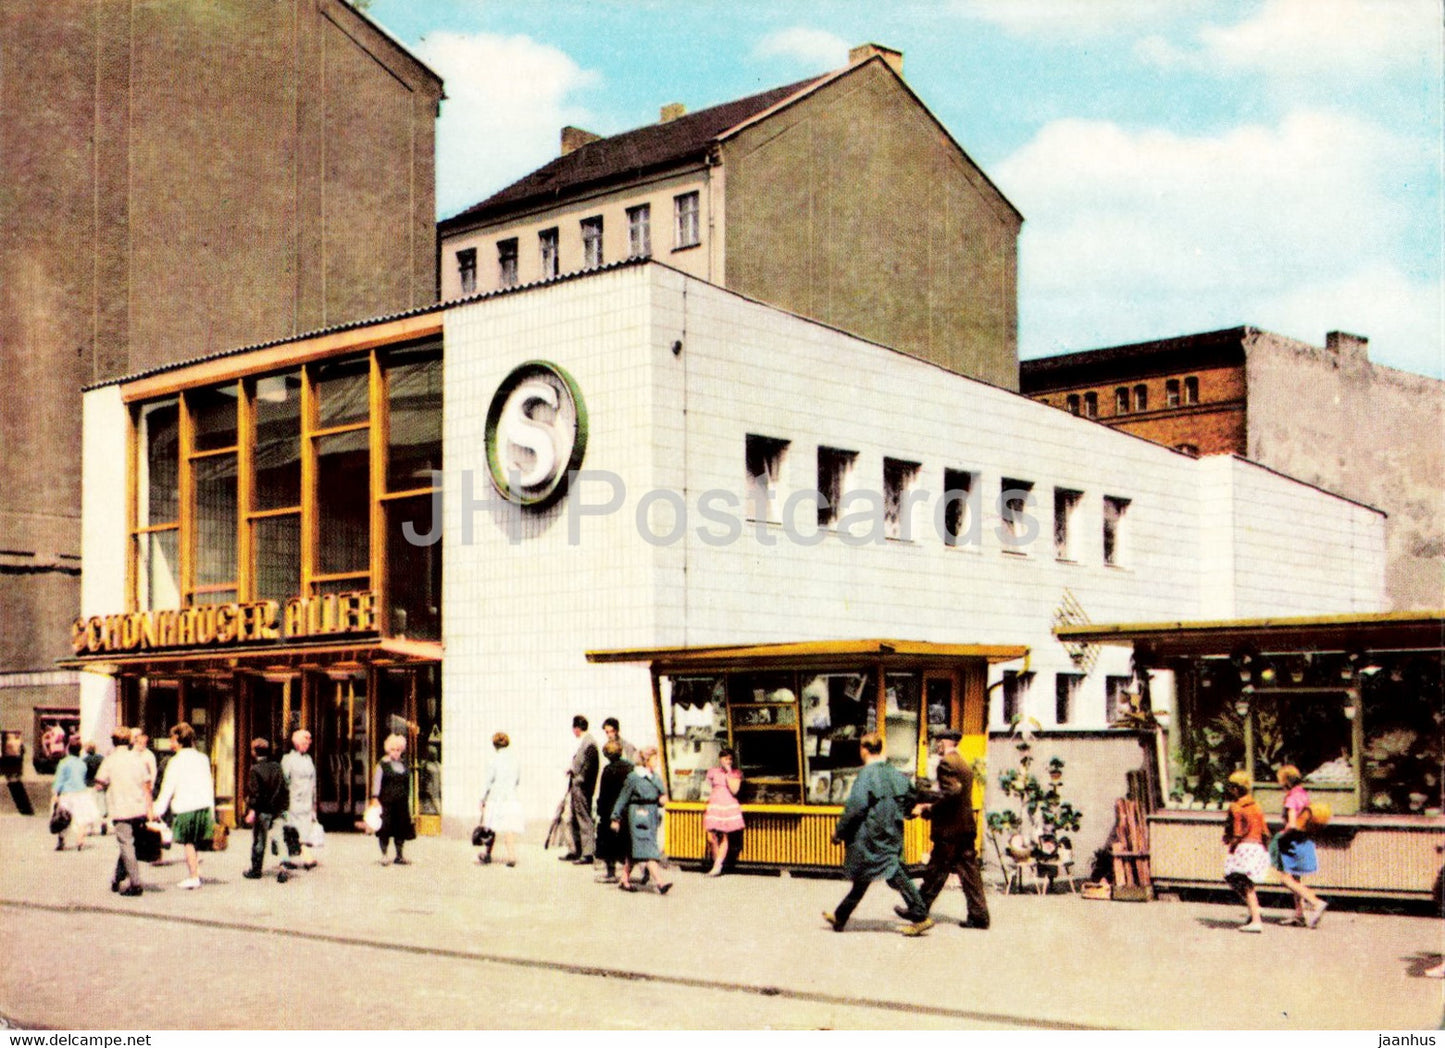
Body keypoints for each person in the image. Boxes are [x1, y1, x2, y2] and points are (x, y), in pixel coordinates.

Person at [824, 732, 932, 936]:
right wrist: (906, 812)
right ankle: (840, 917)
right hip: (892, 831)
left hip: (871, 835)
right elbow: (911, 796)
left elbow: (855, 807)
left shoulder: (866, 775)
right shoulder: (894, 773)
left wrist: (839, 833)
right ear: (880, 748)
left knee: (891, 870)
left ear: (863, 750)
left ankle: (921, 915)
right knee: (865, 874)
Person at [910, 730, 989, 929]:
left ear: (945, 742)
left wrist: (929, 809)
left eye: (938, 741)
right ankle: (979, 916)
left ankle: (918, 910)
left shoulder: (946, 763)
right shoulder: (963, 763)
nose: (936, 745)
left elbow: (951, 793)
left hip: (950, 831)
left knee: (935, 871)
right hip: (965, 827)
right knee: (970, 874)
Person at [152, 723, 215, 890]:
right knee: (195, 841)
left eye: (172, 739)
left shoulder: (175, 761)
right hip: (203, 805)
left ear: (179, 740)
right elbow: (209, 784)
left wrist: (157, 810)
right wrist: (212, 809)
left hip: (185, 806)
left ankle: (194, 876)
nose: (170, 743)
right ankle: (196, 870)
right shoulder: (203, 758)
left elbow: (167, 788)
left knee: (188, 842)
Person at [94, 726, 153, 897]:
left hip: (121, 808)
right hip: (139, 808)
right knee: (128, 844)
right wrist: (149, 809)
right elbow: (147, 786)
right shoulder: (138, 759)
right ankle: (117, 878)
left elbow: (100, 781)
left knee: (126, 844)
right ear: (129, 741)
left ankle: (135, 883)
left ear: (113, 742)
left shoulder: (110, 760)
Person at [610, 746, 672, 894]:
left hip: (652, 815)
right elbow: (623, 798)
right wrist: (615, 817)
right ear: (646, 760)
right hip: (638, 815)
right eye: (654, 758)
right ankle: (660, 883)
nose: (657, 761)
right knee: (648, 849)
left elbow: (661, 795)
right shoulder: (634, 777)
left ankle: (624, 879)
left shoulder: (654, 777)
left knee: (635, 850)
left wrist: (662, 800)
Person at [1272, 764, 1328, 928]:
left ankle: (1315, 902)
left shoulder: (1291, 798)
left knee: (1285, 878)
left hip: (1291, 840)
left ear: (1285, 781)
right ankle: (1299, 914)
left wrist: (1282, 836)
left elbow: (1292, 824)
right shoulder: (1303, 795)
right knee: (1295, 877)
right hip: (1303, 839)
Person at [1222, 770, 1270, 932]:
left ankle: (1256, 918)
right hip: (1258, 847)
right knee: (1245, 881)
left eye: (1231, 787)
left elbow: (1237, 832)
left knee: (1239, 881)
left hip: (1243, 846)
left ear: (1235, 789)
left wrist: (1230, 843)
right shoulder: (1256, 806)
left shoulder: (1236, 807)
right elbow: (1265, 831)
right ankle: (1254, 908)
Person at [244, 738, 288, 881]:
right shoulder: (277, 767)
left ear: (254, 752)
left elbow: (255, 793)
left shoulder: (255, 769)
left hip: (263, 810)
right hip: (277, 809)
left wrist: (252, 809)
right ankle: (283, 866)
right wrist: (284, 806)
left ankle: (256, 870)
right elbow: (284, 788)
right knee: (280, 838)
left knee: (259, 840)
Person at [478, 732, 523, 867]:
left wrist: (482, 798)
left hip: (496, 797)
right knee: (508, 827)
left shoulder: (494, 760)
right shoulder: (515, 760)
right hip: (511, 797)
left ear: (495, 745)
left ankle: (487, 854)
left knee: (490, 826)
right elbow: (517, 780)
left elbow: (488, 781)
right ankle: (511, 856)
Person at [560, 715, 599, 865]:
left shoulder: (589, 744)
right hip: (578, 786)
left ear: (576, 728)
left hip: (582, 787)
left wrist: (579, 779)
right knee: (575, 818)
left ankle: (587, 853)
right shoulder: (586, 742)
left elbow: (589, 767)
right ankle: (578, 850)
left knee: (583, 818)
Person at [372, 733, 415, 865]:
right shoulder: (382, 765)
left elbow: (409, 785)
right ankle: (384, 855)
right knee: (385, 828)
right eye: (393, 749)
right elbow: (377, 783)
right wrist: (375, 798)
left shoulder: (404, 766)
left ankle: (399, 855)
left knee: (401, 828)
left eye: (398, 750)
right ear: (388, 749)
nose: (396, 752)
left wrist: (410, 802)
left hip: (401, 803)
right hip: (386, 803)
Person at [594, 740, 633, 883]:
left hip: (610, 810)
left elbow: (604, 793)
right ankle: (633, 872)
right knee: (627, 842)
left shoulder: (608, 770)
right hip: (627, 810)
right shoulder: (630, 767)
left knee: (608, 842)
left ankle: (611, 873)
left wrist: (600, 810)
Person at [51, 736, 99, 851]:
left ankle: (62, 839)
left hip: (66, 793)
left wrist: (55, 793)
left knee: (63, 817)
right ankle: (80, 840)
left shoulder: (64, 762)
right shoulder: (82, 763)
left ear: (68, 749)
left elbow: (59, 779)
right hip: (81, 792)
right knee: (81, 817)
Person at [281, 729, 319, 870]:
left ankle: (287, 858)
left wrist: (314, 802)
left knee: (304, 829)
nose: (307, 744)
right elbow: (284, 781)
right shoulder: (288, 759)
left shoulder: (308, 759)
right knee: (295, 829)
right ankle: (306, 857)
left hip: (307, 800)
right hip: (293, 800)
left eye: (308, 741)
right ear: (296, 743)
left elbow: (313, 781)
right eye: (304, 741)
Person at [702, 747, 744, 877]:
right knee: (711, 837)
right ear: (720, 759)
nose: (728, 761)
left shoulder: (736, 773)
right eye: (726, 758)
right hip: (714, 804)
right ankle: (717, 862)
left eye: (730, 759)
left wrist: (729, 773)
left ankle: (718, 865)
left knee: (725, 835)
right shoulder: (713, 772)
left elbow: (734, 790)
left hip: (727, 804)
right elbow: (706, 788)